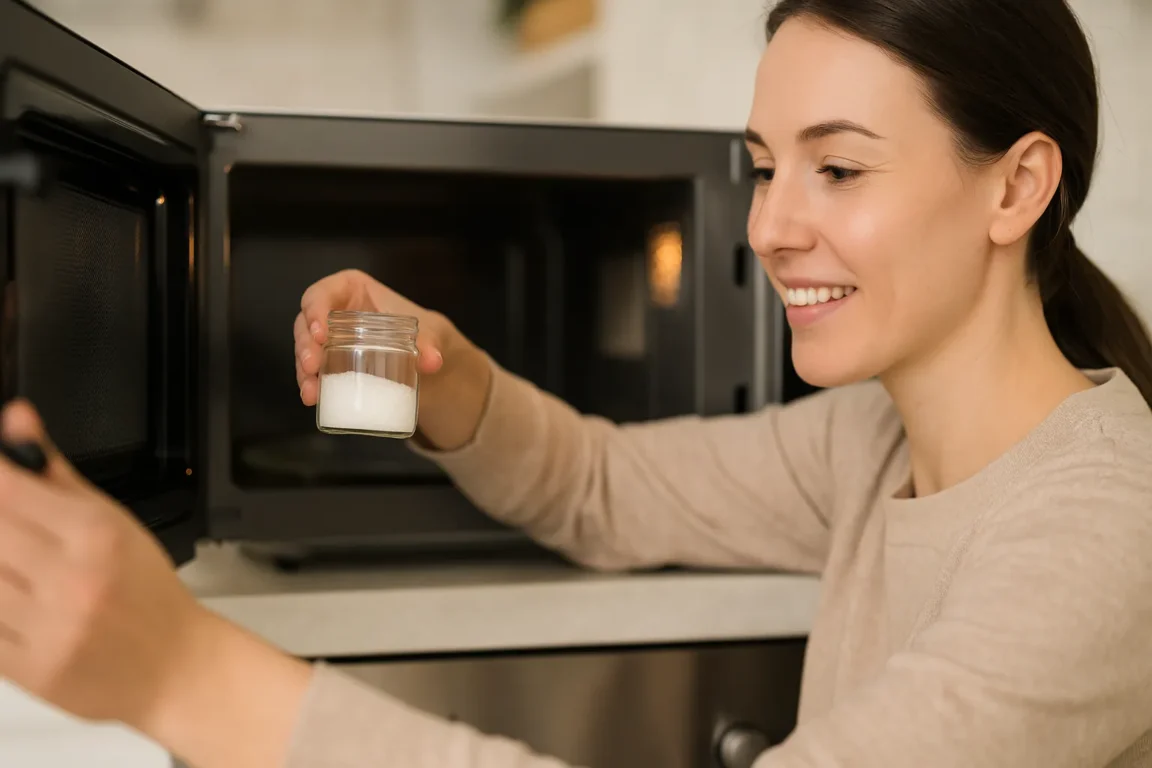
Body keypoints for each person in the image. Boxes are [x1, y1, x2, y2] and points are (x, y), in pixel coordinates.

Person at [2, 0, 1152, 765]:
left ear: (1017, 189)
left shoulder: (1102, 529)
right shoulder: (869, 442)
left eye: (837, 168)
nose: (770, 226)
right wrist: (449, 383)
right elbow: (602, 485)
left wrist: (189, 673)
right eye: (762, 170)